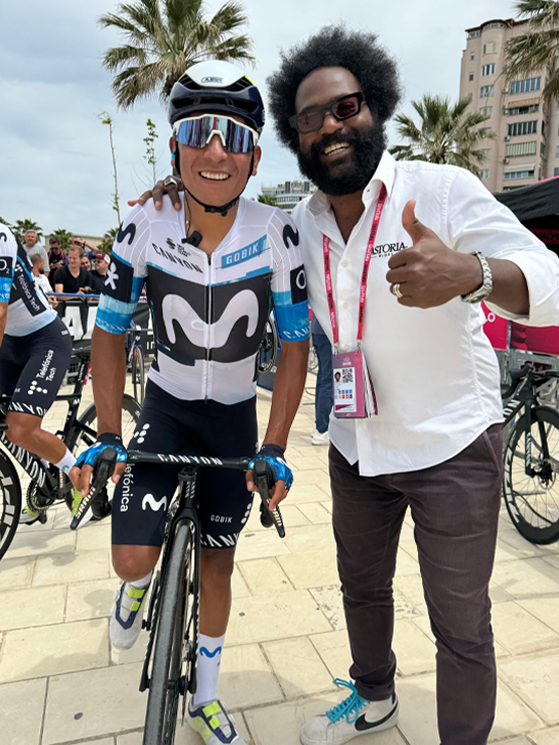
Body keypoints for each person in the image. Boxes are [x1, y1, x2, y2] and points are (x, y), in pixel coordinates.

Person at [148, 27, 559, 745]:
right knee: (362, 589)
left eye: (346, 107)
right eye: (310, 117)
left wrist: (473, 275)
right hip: (356, 445)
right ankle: (373, 698)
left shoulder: (439, 191)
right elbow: (221, 225)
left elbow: (549, 281)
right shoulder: (296, 225)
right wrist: (173, 198)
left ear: (374, 107)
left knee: (460, 620)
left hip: (450, 444)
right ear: (294, 136)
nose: (331, 127)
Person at [71, 60, 309, 745]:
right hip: (166, 410)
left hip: (232, 420)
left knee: (219, 560)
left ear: (254, 157)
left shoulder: (277, 231)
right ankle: (136, 589)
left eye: (234, 138)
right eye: (199, 132)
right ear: (176, 145)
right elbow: (110, 330)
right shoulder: (145, 220)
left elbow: (295, 346)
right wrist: (109, 431)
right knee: (129, 560)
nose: (215, 151)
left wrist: (275, 446)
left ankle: (205, 695)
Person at [0, 224, 97, 525]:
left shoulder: (2, 237)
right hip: (11, 343)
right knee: (11, 425)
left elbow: (1, 313)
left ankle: (77, 477)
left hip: (45, 339)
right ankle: (45, 481)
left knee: (20, 428)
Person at [311, 315, 333, 445]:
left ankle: (319, 425)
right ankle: (322, 429)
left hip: (318, 330)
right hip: (328, 332)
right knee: (328, 381)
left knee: (323, 378)